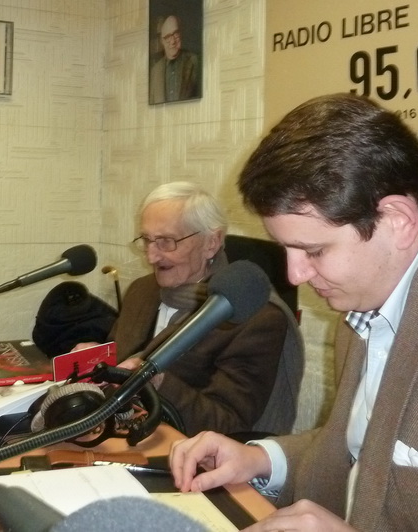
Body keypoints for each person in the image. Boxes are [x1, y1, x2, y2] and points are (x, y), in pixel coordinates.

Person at [170, 94, 418, 531]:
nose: (296, 274)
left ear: (397, 219)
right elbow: (367, 451)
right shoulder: (366, 298)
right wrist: (262, 459)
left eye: (314, 251)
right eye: (287, 249)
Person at [75, 182, 302, 437]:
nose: (151, 257)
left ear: (211, 243)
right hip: (114, 434)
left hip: (184, 451)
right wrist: (97, 361)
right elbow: (122, 362)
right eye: (147, 240)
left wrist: (156, 381)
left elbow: (229, 425)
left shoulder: (254, 318)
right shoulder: (141, 290)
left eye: (166, 242)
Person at [149, 15, 200, 103]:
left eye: (175, 34)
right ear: (162, 41)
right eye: (168, 37)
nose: (172, 41)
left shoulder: (195, 61)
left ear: (181, 34)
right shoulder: (155, 71)